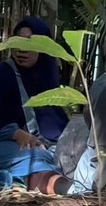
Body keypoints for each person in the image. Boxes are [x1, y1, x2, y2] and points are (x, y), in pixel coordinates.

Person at [0, 17, 71, 194]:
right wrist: (15, 132)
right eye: (18, 42)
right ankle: (68, 189)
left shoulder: (48, 75)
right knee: (33, 157)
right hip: (9, 143)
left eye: (30, 43)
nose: (22, 49)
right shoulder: (4, 73)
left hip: (49, 146)